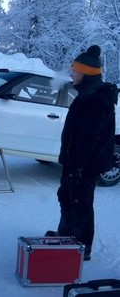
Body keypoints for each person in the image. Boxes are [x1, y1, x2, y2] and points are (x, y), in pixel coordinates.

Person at [46, 45, 118, 261]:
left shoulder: (94, 99)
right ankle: (66, 237)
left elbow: (89, 138)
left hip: (84, 165)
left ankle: (81, 246)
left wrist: (77, 166)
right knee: (67, 197)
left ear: (85, 73)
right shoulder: (88, 94)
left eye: (75, 70)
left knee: (80, 202)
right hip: (76, 163)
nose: (72, 73)